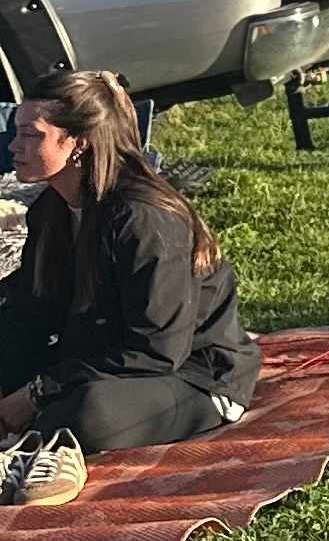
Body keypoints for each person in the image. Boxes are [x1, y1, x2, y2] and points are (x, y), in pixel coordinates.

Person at [0, 71, 259, 510]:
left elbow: (158, 350)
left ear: (78, 142)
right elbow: (31, 311)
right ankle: (34, 429)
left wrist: (40, 389)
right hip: (98, 356)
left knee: (86, 411)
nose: (13, 147)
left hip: (189, 375)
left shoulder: (145, 220)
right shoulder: (52, 209)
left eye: (30, 135)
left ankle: (42, 448)